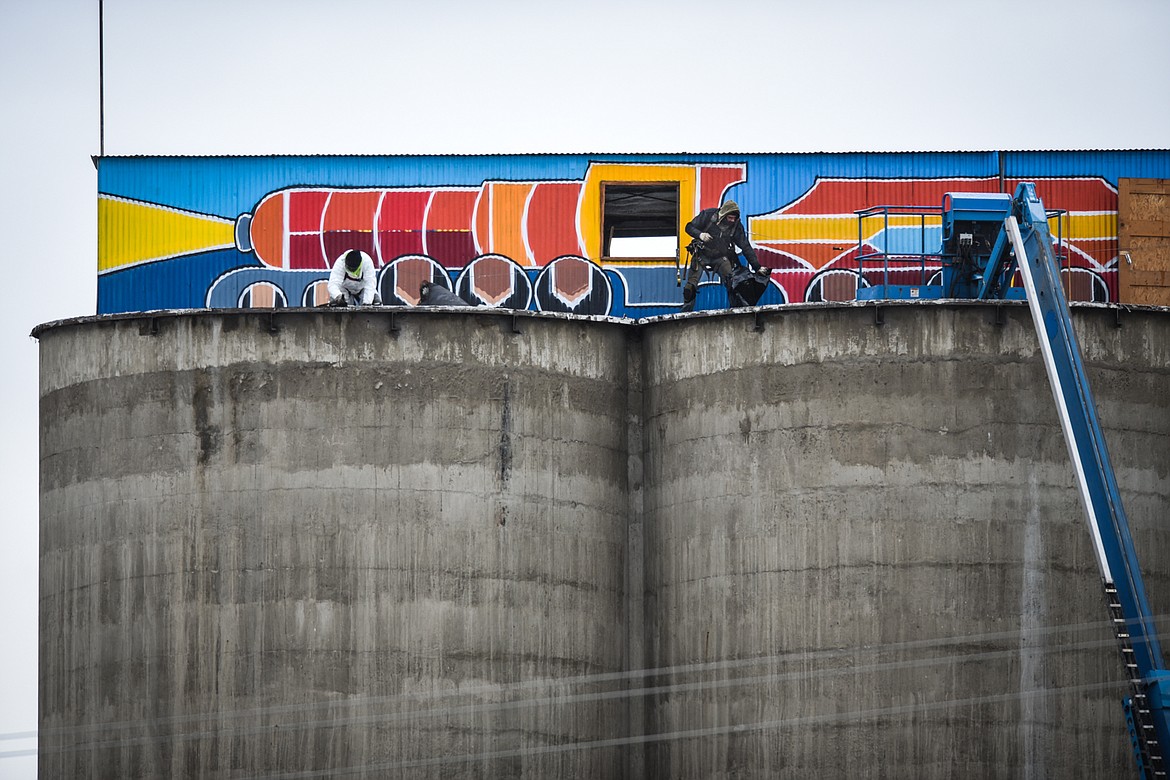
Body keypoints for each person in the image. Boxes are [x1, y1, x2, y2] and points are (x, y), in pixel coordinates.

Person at [681, 200, 768, 312]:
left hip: (721, 258)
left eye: (734, 218)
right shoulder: (708, 215)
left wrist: (757, 267)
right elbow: (689, 227)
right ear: (723, 215)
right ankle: (685, 313)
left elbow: (746, 247)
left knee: (734, 284)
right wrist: (700, 235)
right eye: (729, 217)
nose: (732, 220)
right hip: (701, 255)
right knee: (690, 288)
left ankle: (736, 312)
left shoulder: (736, 227)